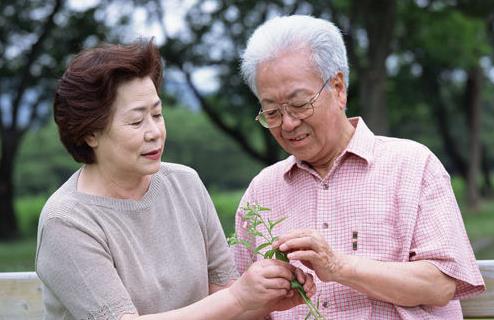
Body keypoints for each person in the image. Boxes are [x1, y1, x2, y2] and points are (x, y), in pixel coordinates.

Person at [35, 39, 316, 320]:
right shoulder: (67, 221)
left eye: (157, 114)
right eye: (136, 121)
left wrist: (262, 302)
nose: (154, 131)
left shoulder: (185, 184)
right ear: (90, 134)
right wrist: (239, 297)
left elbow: (223, 295)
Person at [234, 15, 485, 319]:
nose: (288, 123)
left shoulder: (412, 165)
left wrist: (339, 267)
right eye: (272, 112)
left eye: (299, 104)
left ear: (338, 88)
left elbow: (442, 284)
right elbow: (242, 301)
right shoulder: (262, 190)